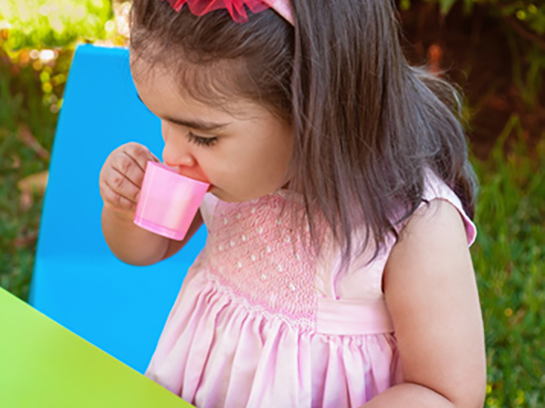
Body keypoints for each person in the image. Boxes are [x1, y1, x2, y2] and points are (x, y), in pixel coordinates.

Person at [98, 0, 486, 406]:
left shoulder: (412, 221)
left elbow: (447, 393)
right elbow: (144, 251)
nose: (171, 153)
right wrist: (127, 210)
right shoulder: (224, 178)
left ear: (314, 110)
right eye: (163, 121)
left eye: (204, 137)